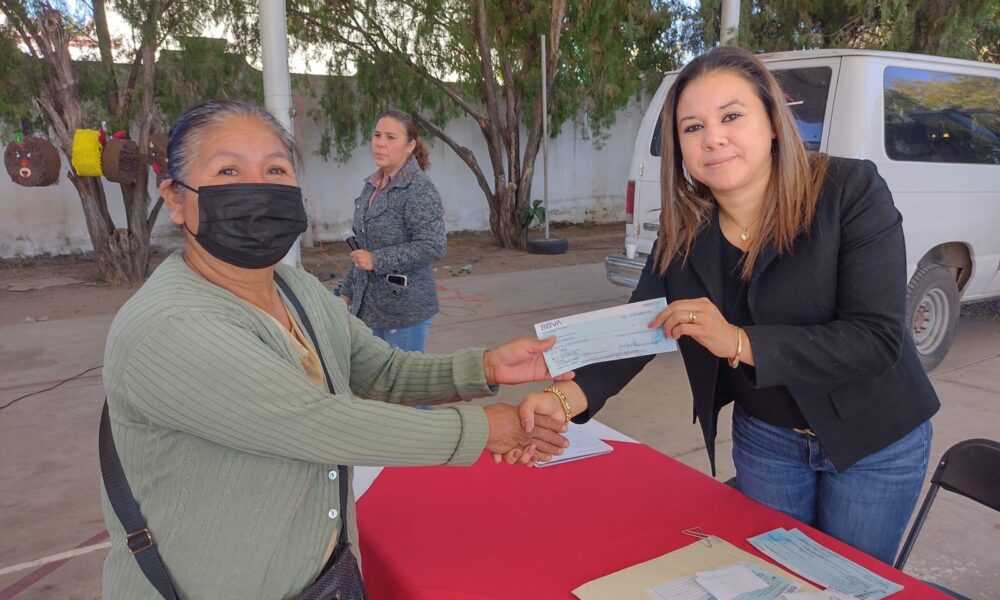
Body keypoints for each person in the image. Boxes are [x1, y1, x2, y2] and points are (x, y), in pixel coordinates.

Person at [101, 100, 570, 599]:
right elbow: (316, 424)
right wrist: (485, 428)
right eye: (229, 170)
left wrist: (484, 366)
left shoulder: (296, 288)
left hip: (329, 579)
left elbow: (380, 371)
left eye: (276, 170)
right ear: (175, 199)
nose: (258, 188)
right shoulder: (169, 326)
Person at [515, 47, 939, 564]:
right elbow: (642, 324)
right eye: (692, 127)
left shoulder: (849, 191)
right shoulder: (684, 228)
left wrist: (738, 341)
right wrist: (564, 400)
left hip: (875, 437)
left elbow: (875, 338)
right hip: (768, 440)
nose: (712, 137)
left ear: (774, 123)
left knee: (848, 581)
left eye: (731, 116)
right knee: (772, 574)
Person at [340, 109, 444, 352]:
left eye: (390, 137)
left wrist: (377, 259)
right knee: (376, 383)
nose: (380, 143)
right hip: (371, 307)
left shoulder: (419, 189)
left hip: (405, 310)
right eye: (377, 135)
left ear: (410, 146)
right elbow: (362, 250)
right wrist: (347, 293)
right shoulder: (372, 185)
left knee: (404, 385)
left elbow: (432, 245)